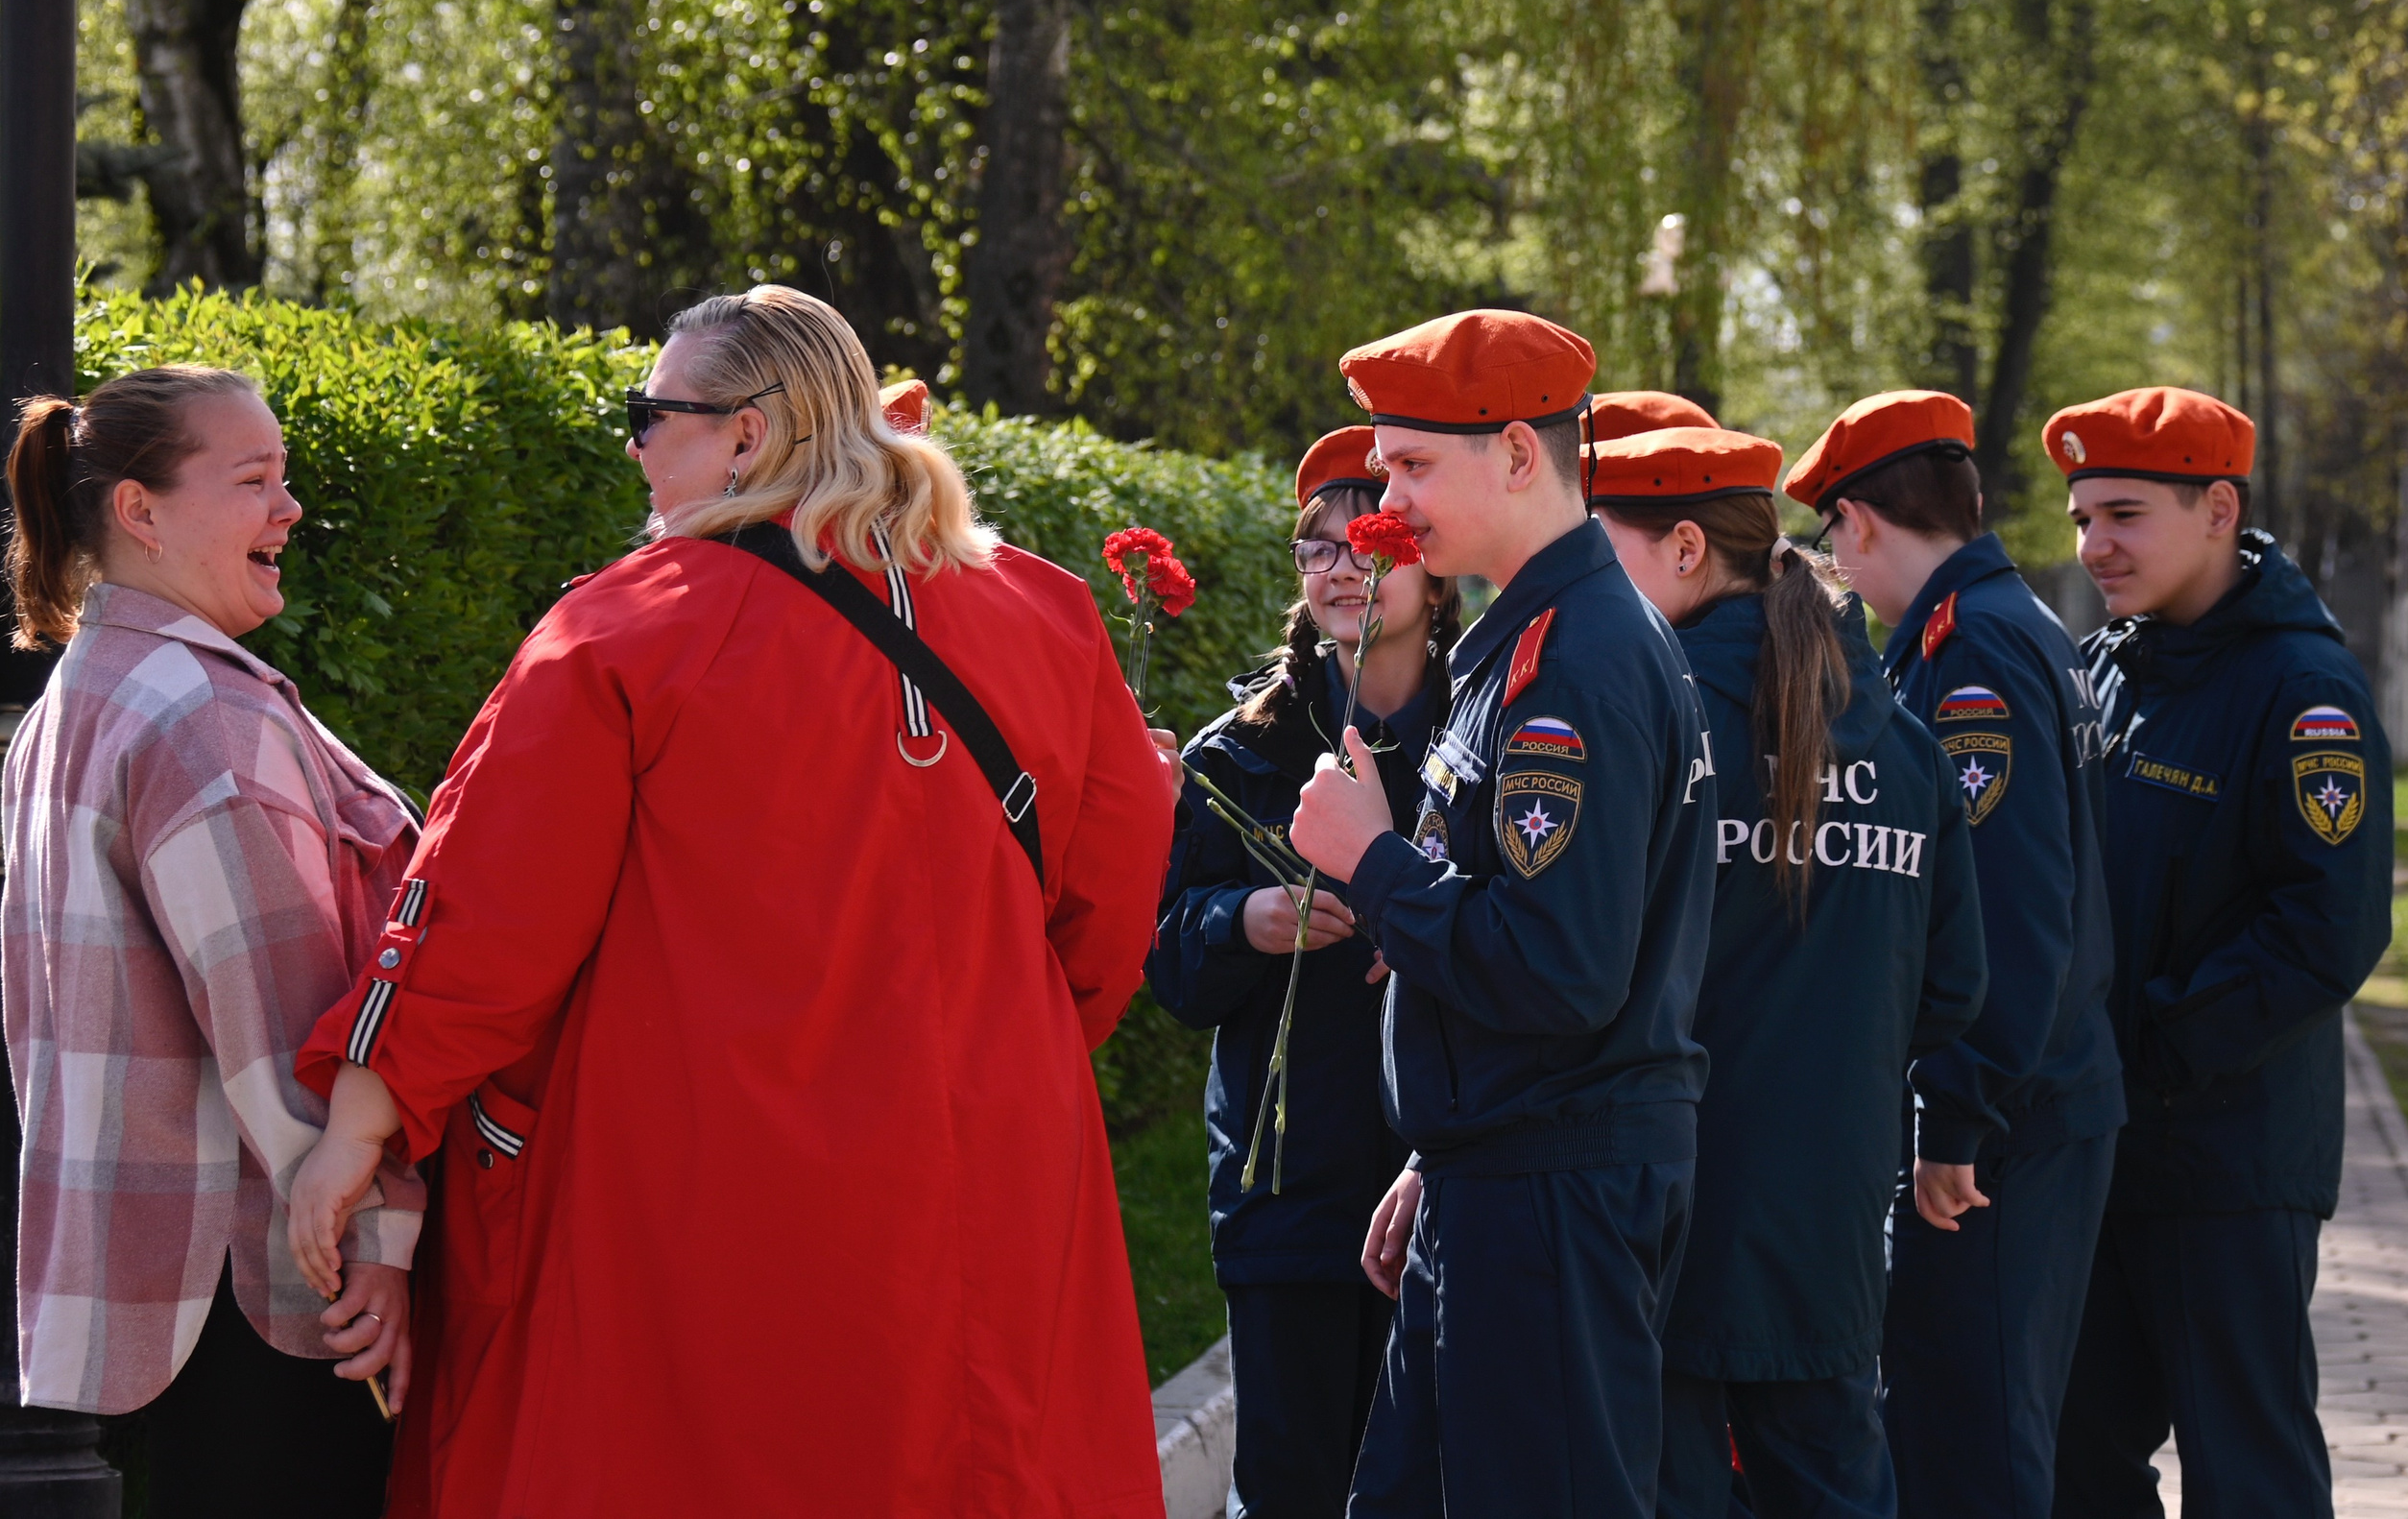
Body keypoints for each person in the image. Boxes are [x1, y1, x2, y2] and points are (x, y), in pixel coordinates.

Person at [280, 284, 1180, 1518]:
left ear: (747, 433)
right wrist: (993, 1044)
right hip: (998, 1150)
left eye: (651, 415)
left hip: (714, 1170)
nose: (637, 443)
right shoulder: (1047, 608)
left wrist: (359, 1125)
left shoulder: (627, 627)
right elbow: (1113, 901)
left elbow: (486, 918)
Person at [1287, 309, 1719, 1519]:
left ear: (1521, 455)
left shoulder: (1571, 662)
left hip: (1551, 1197)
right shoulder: (1528, 641)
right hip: (1506, 1175)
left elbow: (1561, 970)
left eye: (1412, 464)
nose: (1389, 498)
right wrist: (1443, 1149)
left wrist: (1370, 866)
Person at [0, 368, 420, 1518]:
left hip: (160, 1285)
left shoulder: (77, 700)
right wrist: (383, 1236)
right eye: (254, 482)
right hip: (277, 1286)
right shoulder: (200, 716)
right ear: (141, 512)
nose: (289, 510)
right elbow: (286, 1030)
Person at [1592, 422, 1989, 1519]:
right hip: (1831, 1207)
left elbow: (1588, 967)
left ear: (1681, 551)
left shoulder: (1660, 727)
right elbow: (1955, 988)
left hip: (1664, 1201)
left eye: (1597, 545)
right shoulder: (1902, 742)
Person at [2040, 387, 2391, 1519]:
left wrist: (2152, 1045)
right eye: (2081, 516)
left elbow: (2326, 927)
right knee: (2073, 1459)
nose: (2094, 544)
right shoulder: (2104, 667)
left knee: (2247, 1472)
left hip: (2227, 1158)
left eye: (2124, 514)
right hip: (2101, 1145)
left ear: (2217, 509)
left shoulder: (2304, 690)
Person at [1784, 389, 2125, 1518]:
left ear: (1861, 524)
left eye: (1833, 535)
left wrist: (1956, 1116)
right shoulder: (2010, 620)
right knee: (1977, 1424)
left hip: (2000, 1130)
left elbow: (2014, 910)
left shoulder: (1967, 651)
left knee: (1969, 1441)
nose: (1839, 560)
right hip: (2034, 1104)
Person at [1149, 426, 1461, 1519]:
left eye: (1374, 540)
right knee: (1287, 1489)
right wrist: (1249, 919)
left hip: (1448, 1187)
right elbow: (1172, 970)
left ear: (1438, 561)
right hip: (1285, 1192)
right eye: (1317, 548)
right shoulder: (1236, 755)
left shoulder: (1492, 739)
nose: (1344, 569)